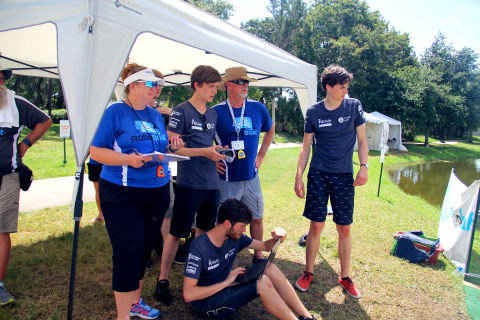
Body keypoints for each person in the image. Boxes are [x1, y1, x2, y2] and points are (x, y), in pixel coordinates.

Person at [90, 63, 184, 320]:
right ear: (133, 86)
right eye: (151, 84)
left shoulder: (154, 114)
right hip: (122, 193)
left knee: (142, 250)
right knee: (128, 252)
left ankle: (135, 302)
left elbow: (161, 148)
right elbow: (96, 152)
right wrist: (126, 160)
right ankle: (123, 316)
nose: (156, 89)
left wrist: (173, 147)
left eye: (157, 85)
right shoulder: (116, 112)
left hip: (156, 191)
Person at [294, 65, 368, 299]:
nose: (346, 91)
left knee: (344, 228)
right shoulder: (314, 112)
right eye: (341, 87)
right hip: (318, 174)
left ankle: (345, 277)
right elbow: (306, 147)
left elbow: (363, 140)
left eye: (347, 87)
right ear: (328, 87)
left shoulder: (353, 106)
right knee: (316, 225)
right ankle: (308, 272)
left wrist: (364, 166)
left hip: (345, 176)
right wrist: (299, 174)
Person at [155, 65, 226, 306]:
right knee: (176, 234)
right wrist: (204, 152)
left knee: (203, 234)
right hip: (188, 184)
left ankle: (197, 279)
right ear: (197, 85)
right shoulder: (181, 111)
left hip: (211, 184)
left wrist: (216, 155)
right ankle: (162, 280)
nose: (215, 91)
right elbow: (172, 147)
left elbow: (209, 144)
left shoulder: (213, 114)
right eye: (211, 87)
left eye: (217, 87)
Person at [183, 198, 316, 320]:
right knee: (262, 283)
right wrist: (225, 283)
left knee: (269, 268)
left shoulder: (235, 236)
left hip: (225, 284)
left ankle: (306, 317)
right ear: (228, 224)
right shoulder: (199, 247)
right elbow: (189, 295)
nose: (245, 230)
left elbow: (265, 246)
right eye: (242, 226)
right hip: (207, 303)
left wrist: (277, 239)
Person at [0, 66, 53, 305]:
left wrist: (26, 144)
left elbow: (44, 121)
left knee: (1, 230)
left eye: (1, 78)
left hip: (7, 176)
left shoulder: (15, 103)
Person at [214, 66, 275, 264]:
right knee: (227, 223)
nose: (245, 85)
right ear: (228, 85)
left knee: (257, 217)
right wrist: (211, 160)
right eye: (240, 82)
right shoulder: (216, 111)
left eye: (246, 82)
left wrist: (261, 155)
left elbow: (270, 129)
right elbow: (203, 141)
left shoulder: (258, 108)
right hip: (228, 177)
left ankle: (258, 257)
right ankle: (223, 257)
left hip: (251, 176)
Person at [87, 157, 104, 223]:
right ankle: (101, 215)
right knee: (99, 190)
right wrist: (81, 162)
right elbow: (87, 149)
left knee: (113, 190)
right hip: (95, 164)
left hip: (112, 164)